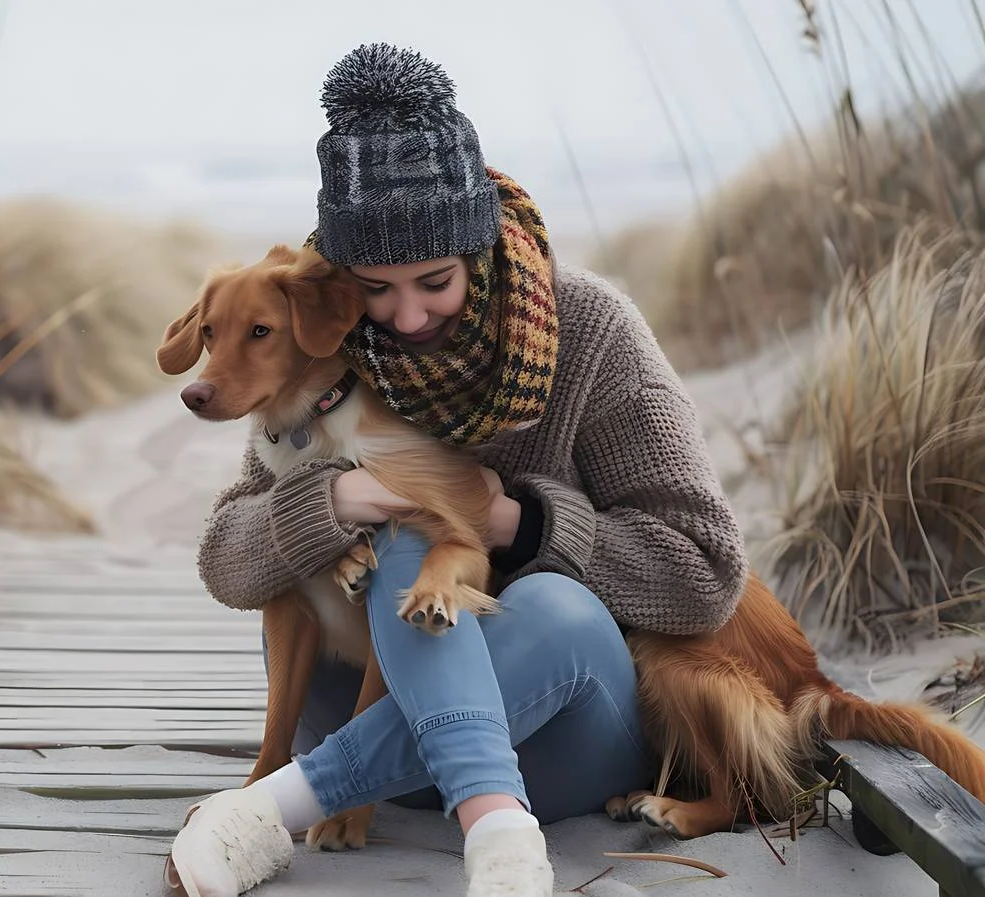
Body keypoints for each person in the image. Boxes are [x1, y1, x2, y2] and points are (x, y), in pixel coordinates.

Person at [161, 43, 750, 897]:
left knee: (547, 598)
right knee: (400, 535)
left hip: (556, 720)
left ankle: (313, 810)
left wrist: (517, 523)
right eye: (378, 289)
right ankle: (415, 804)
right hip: (377, 728)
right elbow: (227, 559)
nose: (405, 317)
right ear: (342, 281)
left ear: (478, 248)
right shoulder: (324, 333)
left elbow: (704, 572)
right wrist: (332, 500)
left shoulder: (591, 332)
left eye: (434, 281)